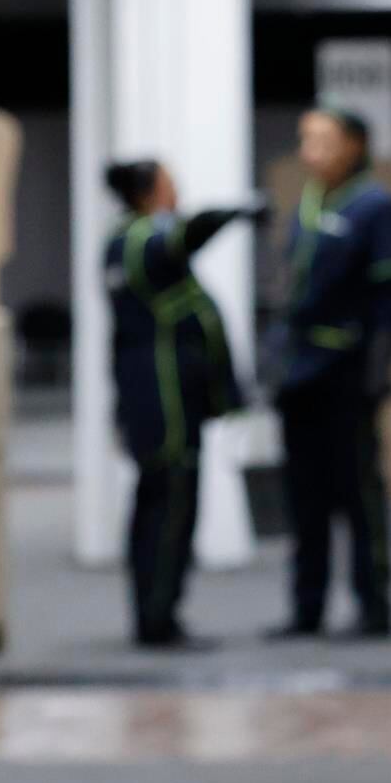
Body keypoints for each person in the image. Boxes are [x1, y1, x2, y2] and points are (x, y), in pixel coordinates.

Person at [102, 159, 262, 648]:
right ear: (148, 193)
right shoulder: (141, 240)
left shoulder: (121, 242)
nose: (178, 193)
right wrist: (235, 214)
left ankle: (155, 615)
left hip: (151, 404)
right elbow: (185, 237)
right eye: (171, 184)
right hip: (166, 407)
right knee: (170, 511)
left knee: (155, 507)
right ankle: (158, 620)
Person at [269, 104, 391, 639]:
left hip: (346, 373)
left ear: (354, 145)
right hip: (298, 372)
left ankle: (374, 607)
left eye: (322, 139)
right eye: (305, 139)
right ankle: (306, 609)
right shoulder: (307, 203)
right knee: (304, 496)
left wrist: (379, 369)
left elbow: (390, 296)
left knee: (358, 493)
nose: (310, 151)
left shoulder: (375, 206)